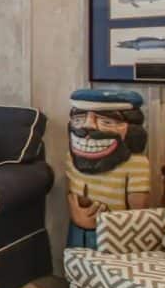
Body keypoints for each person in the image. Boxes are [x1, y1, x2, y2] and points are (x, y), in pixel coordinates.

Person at [65, 88, 151, 249]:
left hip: (116, 237)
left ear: (131, 130)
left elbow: (138, 213)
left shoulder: (136, 164)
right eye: (78, 119)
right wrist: (77, 216)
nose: (88, 127)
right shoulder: (71, 158)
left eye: (107, 122)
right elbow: (71, 193)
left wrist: (106, 223)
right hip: (76, 232)